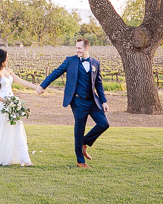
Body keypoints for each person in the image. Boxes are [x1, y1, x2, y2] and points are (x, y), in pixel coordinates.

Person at [35, 37, 109, 168]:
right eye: (76, 48)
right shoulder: (70, 61)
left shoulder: (95, 63)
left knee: (104, 124)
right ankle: (80, 161)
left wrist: (104, 101)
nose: (77, 50)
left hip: (93, 101)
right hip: (78, 101)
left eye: (79, 48)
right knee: (79, 129)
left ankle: (84, 143)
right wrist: (42, 86)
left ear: (87, 48)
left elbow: (99, 83)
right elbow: (56, 73)